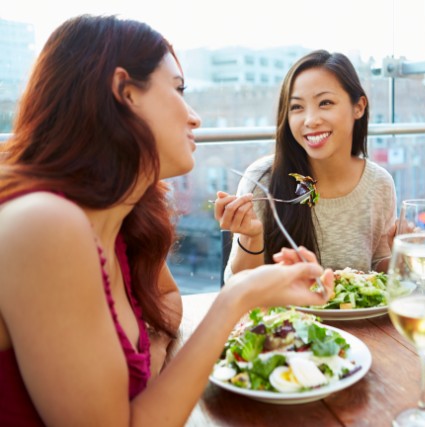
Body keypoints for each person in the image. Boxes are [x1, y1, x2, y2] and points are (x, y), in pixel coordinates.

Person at [0, 15, 334, 425]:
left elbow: (167, 310)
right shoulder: (45, 224)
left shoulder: (119, 218)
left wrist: (145, 364)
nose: (195, 118)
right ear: (124, 92)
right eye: (178, 90)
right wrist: (237, 297)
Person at [214, 50, 397, 280]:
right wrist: (251, 237)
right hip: (284, 316)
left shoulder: (379, 183)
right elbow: (237, 287)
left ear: (358, 107)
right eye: (297, 107)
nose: (310, 120)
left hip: (355, 316)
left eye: (325, 103)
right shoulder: (261, 180)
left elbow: (378, 267)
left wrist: (403, 254)